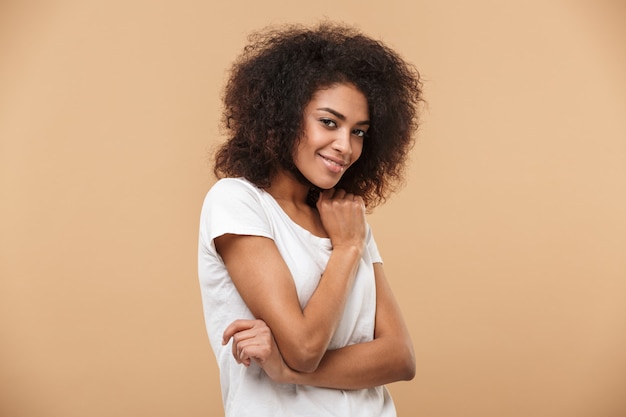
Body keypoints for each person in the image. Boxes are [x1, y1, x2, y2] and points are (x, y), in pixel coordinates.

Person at [198, 21, 422, 417]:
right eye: (329, 122)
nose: (346, 146)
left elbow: (400, 357)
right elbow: (303, 348)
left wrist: (289, 373)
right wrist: (347, 249)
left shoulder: (345, 216)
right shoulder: (237, 202)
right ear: (282, 117)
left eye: (360, 132)